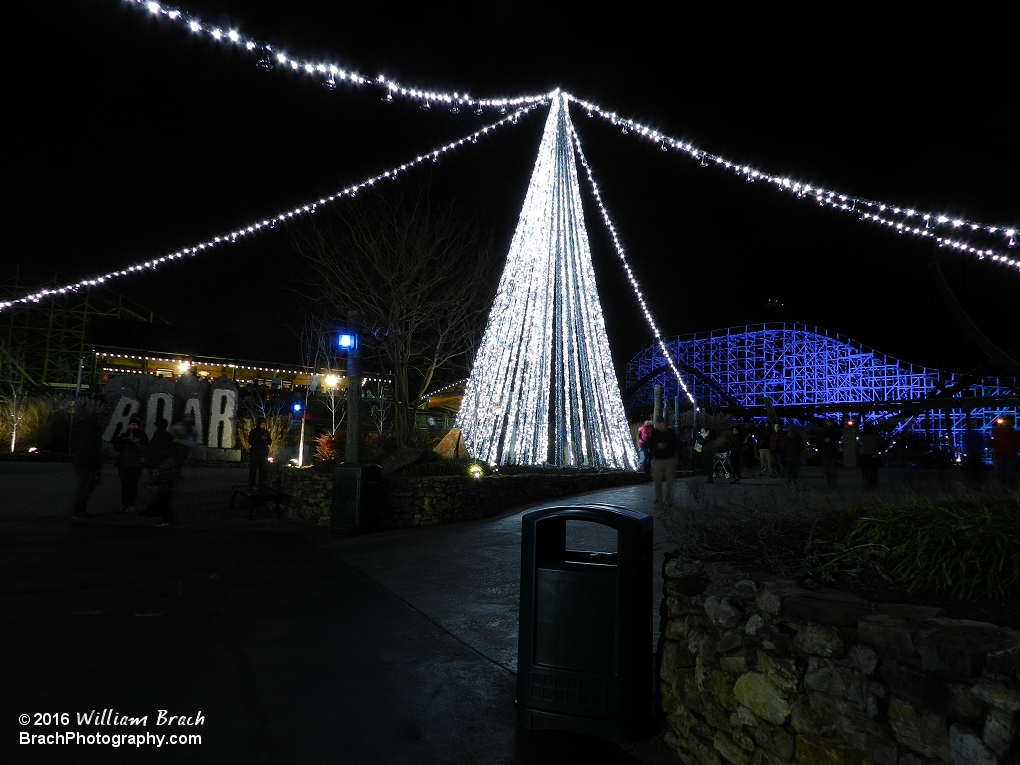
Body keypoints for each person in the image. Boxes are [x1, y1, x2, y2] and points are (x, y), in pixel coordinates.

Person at [143, 418, 177, 526]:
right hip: (159, 467)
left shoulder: (161, 438)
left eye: (155, 425)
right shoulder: (162, 436)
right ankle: (153, 510)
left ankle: (167, 518)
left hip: (159, 468)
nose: (154, 427)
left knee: (162, 495)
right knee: (156, 492)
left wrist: (155, 465)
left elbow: (155, 451)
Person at [113, 414, 148, 513]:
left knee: (133, 484)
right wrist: (122, 443)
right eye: (131, 424)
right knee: (124, 485)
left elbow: (145, 449)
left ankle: (131, 505)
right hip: (123, 463)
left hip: (136, 464)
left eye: (135, 425)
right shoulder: (124, 434)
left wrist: (135, 444)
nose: (133, 427)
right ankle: (125, 504)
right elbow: (116, 448)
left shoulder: (142, 435)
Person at [71, 414, 104, 520]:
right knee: (85, 488)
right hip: (89, 465)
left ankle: (79, 509)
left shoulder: (85, 433)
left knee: (83, 487)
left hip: (85, 464)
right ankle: (79, 510)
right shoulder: (91, 434)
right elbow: (92, 451)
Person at [648, 420, 678, 505]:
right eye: (660, 425)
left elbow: (675, 443)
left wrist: (667, 446)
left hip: (669, 459)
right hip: (658, 459)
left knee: (670, 480)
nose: (661, 427)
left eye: (663, 425)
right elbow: (649, 443)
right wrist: (656, 445)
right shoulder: (655, 433)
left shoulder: (671, 433)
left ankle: (669, 497)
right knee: (657, 480)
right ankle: (658, 498)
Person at [988, 415, 1020, 492]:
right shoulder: (998, 432)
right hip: (1003, 454)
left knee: (1009, 473)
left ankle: (1008, 489)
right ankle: (1006, 488)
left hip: (1009, 454)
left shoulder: (1013, 433)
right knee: (1003, 473)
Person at [168, 412, 197, 478]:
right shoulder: (180, 424)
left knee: (181, 459)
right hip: (180, 444)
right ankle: (176, 472)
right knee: (179, 459)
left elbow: (195, 435)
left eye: (189, 417)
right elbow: (172, 430)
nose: (188, 418)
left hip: (188, 444)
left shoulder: (192, 426)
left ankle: (176, 472)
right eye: (187, 417)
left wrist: (193, 443)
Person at [962, 417, 986, 491]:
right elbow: (982, 442)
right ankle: (977, 484)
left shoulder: (968, 434)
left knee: (970, 470)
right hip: (977, 454)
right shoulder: (977, 435)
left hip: (971, 453)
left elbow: (965, 441)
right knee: (976, 470)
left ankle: (970, 485)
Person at [248, 417, 272, 487]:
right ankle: (252, 484)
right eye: (262, 424)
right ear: (258, 424)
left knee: (262, 470)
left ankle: (262, 484)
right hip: (255, 453)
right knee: (253, 470)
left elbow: (269, 442)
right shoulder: (254, 432)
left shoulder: (266, 432)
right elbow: (250, 441)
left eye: (264, 424)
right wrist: (259, 439)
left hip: (263, 453)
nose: (263, 426)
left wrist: (266, 440)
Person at [818, 421, 840, 488]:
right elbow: (837, 443)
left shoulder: (822, 433)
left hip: (825, 453)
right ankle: (833, 483)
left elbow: (819, 443)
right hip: (833, 453)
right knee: (833, 469)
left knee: (826, 469)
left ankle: (827, 483)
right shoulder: (835, 433)